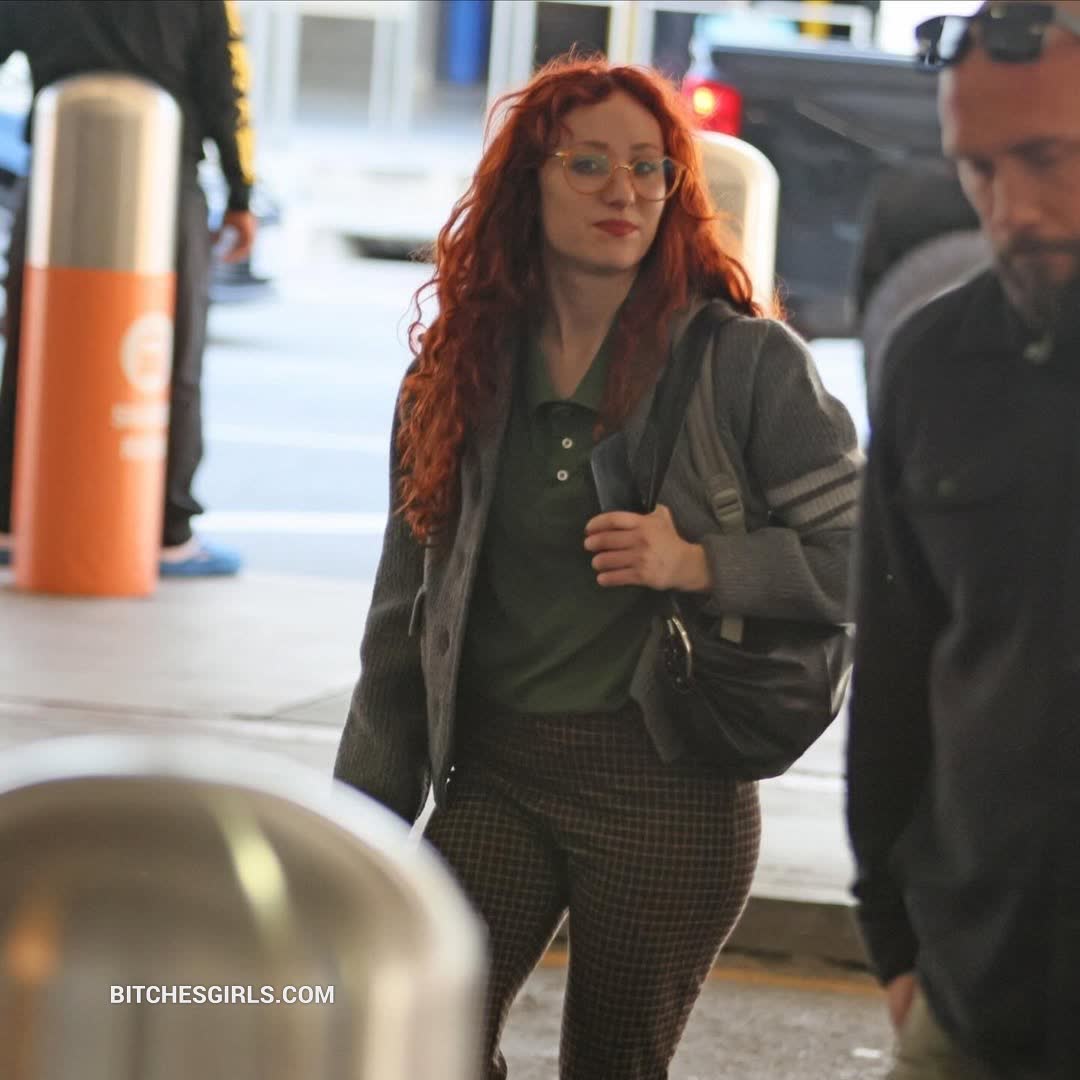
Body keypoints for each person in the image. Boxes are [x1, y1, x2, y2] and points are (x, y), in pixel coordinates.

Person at [334, 56, 858, 1079]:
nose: (624, 190)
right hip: (498, 776)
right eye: (588, 164)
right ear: (526, 184)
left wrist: (701, 563)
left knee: (613, 1066)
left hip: (668, 788)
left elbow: (870, 559)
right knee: (415, 1043)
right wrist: (355, 832)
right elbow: (404, 621)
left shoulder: (745, 362)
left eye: (649, 167)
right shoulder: (457, 374)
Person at [846, 3, 1080, 1077]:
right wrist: (895, 945)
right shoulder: (932, 364)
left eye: (1048, 158)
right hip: (974, 991)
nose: (1013, 209)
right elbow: (895, 668)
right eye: (978, 168)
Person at [0, 0, 257, 576]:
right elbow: (227, 85)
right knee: (165, 353)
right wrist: (241, 194)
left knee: (32, 347)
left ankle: (11, 518)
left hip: (57, 167)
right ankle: (169, 533)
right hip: (164, 177)